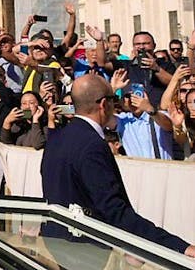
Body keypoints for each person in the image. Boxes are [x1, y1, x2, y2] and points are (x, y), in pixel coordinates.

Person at [41, 74, 195, 257]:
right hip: (84, 252)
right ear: (104, 104)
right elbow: (115, 212)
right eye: (114, 100)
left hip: (54, 243)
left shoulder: (57, 137)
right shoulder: (92, 145)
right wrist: (179, 247)